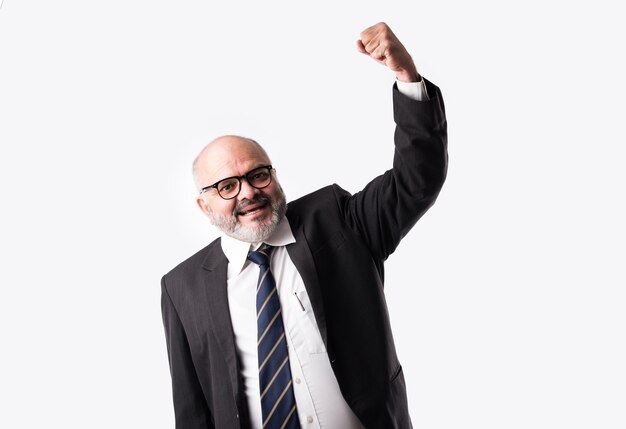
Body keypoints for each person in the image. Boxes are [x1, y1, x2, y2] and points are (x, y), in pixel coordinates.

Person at [161, 22, 448, 429]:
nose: (248, 193)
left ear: (274, 176)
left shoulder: (339, 221)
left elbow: (416, 180)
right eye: (227, 186)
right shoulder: (182, 286)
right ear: (203, 205)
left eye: (258, 175)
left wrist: (407, 78)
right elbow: (192, 410)